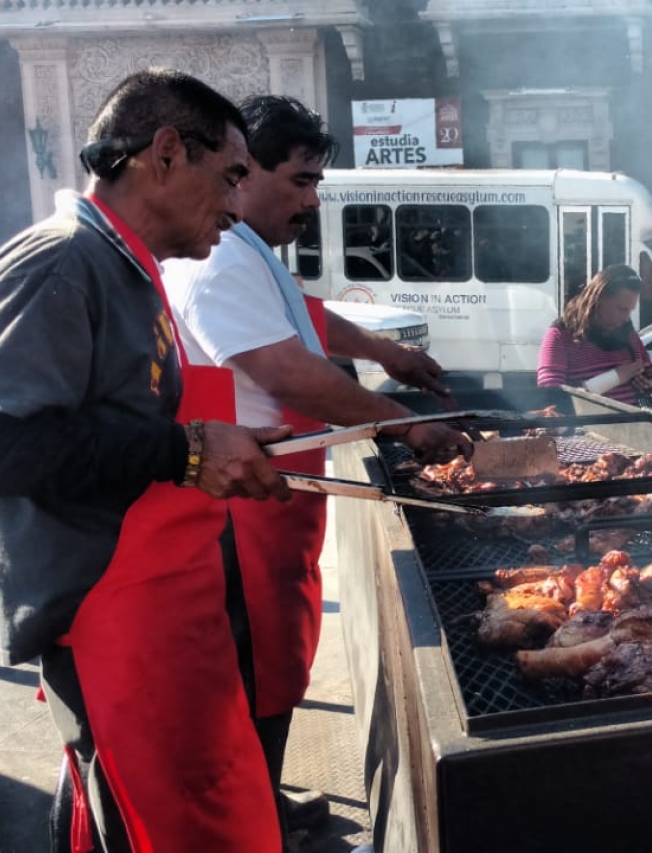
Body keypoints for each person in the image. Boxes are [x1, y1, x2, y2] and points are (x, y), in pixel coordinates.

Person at [161, 94, 472, 846]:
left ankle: (265, 797)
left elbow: (304, 316)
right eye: (299, 180)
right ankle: (256, 821)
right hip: (241, 512)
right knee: (252, 677)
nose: (311, 200)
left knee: (277, 667)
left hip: (281, 504)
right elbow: (288, 370)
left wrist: (387, 352)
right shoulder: (218, 261)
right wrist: (403, 421)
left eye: (316, 183)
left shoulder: (250, 253)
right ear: (242, 172)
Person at [0, 68, 293, 852]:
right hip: (107, 622)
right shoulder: (65, 262)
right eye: (230, 176)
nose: (237, 207)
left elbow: (127, 424)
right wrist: (185, 449)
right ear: (165, 153)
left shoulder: (134, 268)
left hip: (168, 615)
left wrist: (223, 447)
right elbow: (12, 442)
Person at [537, 263, 652, 406]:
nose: (626, 318)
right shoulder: (560, 336)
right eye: (621, 309)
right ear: (597, 299)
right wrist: (615, 377)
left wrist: (651, 381)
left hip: (636, 425)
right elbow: (551, 399)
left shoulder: (628, 334)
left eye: (630, 311)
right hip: (590, 426)